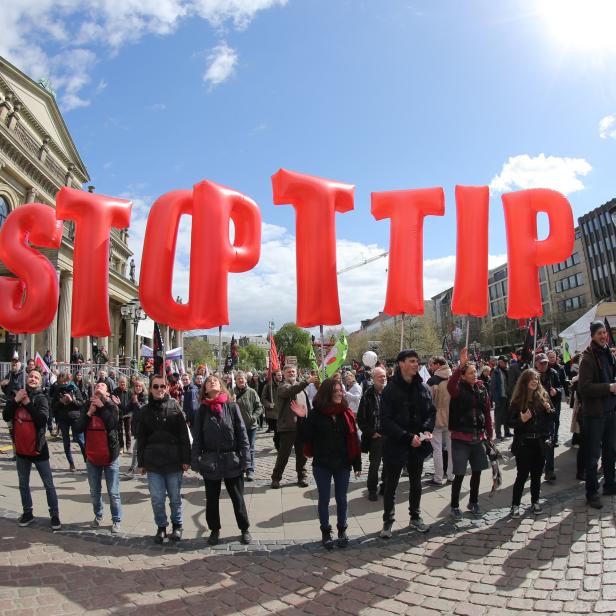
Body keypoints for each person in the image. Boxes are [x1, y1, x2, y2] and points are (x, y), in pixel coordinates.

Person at [293, 378, 361, 548]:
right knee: (324, 499)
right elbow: (306, 438)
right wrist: (302, 419)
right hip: (322, 463)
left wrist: (357, 463)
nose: (340, 393)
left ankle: (342, 530)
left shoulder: (346, 413)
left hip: (343, 463)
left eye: (341, 390)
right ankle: (326, 531)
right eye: (336, 390)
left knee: (341, 499)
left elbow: (354, 439)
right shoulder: (316, 414)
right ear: (327, 393)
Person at [380, 349, 436, 538]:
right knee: (391, 485)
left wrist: (427, 429)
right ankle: (388, 521)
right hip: (396, 444)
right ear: (401, 363)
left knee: (416, 483)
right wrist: (406, 437)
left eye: (417, 361)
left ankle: (415, 517)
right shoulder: (390, 390)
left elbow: (431, 412)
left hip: (418, 444)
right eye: (412, 361)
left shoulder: (422, 387)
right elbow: (385, 421)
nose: (416, 364)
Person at [191, 375, 252, 545]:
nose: (212, 382)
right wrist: (195, 460)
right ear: (205, 389)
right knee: (211, 499)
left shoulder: (231, 406)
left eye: (215, 380)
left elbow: (242, 434)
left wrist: (246, 460)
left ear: (221, 385)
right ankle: (214, 530)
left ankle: (244, 528)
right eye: (208, 381)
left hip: (231, 458)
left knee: (237, 498)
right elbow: (197, 438)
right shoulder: (202, 410)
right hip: (211, 460)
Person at [2, 369, 61, 530]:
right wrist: (16, 400)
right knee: (23, 484)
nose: (33, 379)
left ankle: (54, 515)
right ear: (26, 379)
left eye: (36, 377)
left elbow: (42, 421)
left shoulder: (42, 398)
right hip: (21, 449)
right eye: (31, 376)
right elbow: (6, 416)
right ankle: (27, 512)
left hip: (38, 449)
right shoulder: (18, 394)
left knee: (48, 484)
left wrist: (27, 404)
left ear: (40, 382)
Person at [138, 376, 191, 543]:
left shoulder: (175, 407)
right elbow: (141, 438)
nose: (159, 389)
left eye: (162, 386)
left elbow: (184, 435)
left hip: (173, 461)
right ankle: (161, 526)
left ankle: (177, 525)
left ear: (167, 388)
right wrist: (141, 462)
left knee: (175, 497)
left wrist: (186, 459)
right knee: (157, 498)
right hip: (153, 462)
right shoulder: (145, 410)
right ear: (151, 389)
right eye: (156, 386)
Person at [447, 348, 493, 520]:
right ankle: (454, 505)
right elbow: (451, 384)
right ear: (463, 375)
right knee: (459, 474)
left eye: (476, 372)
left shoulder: (482, 389)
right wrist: (461, 365)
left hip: (478, 437)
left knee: (477, 471)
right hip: (461, 437)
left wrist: (489, 431)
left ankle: (473, 502)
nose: (475, 375)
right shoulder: (457, 389)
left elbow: (487, 412)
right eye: (471, 372)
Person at [74, 381, 122, 533]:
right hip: (92, 456)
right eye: (97, 386)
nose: (99, 388)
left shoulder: (111, 406)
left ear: (107, 392)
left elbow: (113, 424)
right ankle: (98, 515)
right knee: (95, 492)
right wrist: (89, 412)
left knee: (113, 492)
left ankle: (116, 519)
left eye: (102, 386)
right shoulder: (87, 405)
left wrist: (102, 408)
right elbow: (78, 428)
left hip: (110, 456)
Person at [578, 320, 616, 509]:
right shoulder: (587, 357)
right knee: (593, 457)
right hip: (595, 415)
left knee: (611, 451)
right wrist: (608, 387)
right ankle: (591, 493)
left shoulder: (607, 351)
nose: (603, 336)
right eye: (600, 333)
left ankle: (610, 484)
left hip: (610, 411)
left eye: (604, 333)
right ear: (592, 335)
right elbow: (584, 388)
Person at [508, 369, 554, 517]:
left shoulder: (543, 396)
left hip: (540, 442)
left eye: (537, 379)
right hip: (524, 443)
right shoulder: (517, 400)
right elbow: (509, 422)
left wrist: (549, 410)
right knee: (522, 475)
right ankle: (515, 505)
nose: (535, 381)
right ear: (525, 381)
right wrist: (522, 419)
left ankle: (535, 502)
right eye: (532, 379)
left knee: (536, 475)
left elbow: (553, 417)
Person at [270, 365, 317, 489]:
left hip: (301, 427)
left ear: (297, 373)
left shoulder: (302, 388)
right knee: (283, 455)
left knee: (302, 454)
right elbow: (291, 391)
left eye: (293, 371)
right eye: (288, 372)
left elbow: (307, 405)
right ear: (284, 374)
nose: (291, 373)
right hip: (287, 427)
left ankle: (302, 476)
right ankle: (276, 478)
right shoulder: (282, 386)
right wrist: (306, 382)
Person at [357, 366, 387, 500]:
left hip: (390, 435)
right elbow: (361, 419)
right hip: (375, 437)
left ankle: (385, 487)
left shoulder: (390, 393)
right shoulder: (367, 395)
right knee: (374, 465)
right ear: (373, 379)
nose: (383, 378)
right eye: (380, 376)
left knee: (389, 463)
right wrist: (372, 433)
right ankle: (372, 489)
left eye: (384, 376)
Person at [427, 357, 454, 486]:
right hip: (451, 417)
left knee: (437, 449)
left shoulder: (432, 381)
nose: (430, 367)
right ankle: (451, 475)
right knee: (451, 447)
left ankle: (438, 478)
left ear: (438, 365)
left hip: (436, 417)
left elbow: (427, 401)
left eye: (432, 365)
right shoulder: (454, 377)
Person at [534, 353, 561, 482]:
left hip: (550, 413)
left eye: (545, 363)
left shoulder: (554, 373)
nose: (544, 365)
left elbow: (562, 388)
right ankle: (536, 468)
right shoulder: (531, 375)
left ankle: (549, 470)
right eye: (541, 363)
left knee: (549, 443)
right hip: (536, 415)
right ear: (536, 364)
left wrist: (556, 391)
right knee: (537, 444)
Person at [51, 372, 85, 471]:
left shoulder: (74, 388)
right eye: (62, 381)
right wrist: (60, 402)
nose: (64, 383)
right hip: (63, 419)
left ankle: (87, 460)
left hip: (75, 418)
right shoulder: (57, 390)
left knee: (81, 441)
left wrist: (71, 400)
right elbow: (53, 407)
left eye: (66, 381)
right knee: (66, 442)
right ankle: (71, 463)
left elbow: (81, 403)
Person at [233, 371, 263, 481]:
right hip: (236, 427)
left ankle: (250, 470)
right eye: (238, 378)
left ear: (246, 380)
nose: (240, 380)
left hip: (250, 426)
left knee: (250, 448)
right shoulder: (232, 392)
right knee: (238, 448)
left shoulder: (252, 392)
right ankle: (240, 468)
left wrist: (253, 417)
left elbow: (259, 407)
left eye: (242, 378)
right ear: (235, 380)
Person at [547, 350, 569, 446]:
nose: (552, 358)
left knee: (556, 419)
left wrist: (567, 395)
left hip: (557, 398)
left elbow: (564, 383)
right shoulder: (544, 367)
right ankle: (549, 437)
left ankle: (555, 437)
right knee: (549, 419)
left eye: (553, 357)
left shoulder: (560, 368)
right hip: (546, 398)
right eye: (550, 357)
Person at [128, 379, 148, 473]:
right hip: (136, 426)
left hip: (144, 427)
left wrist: (136, 402)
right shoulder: (134, 397)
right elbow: (126, 409)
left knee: (136, 449)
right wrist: (118, 404)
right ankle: (144, 466)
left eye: (140, 386)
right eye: (136, 386)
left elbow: (143, 411)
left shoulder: (145, 397)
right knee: (142, 448)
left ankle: (133, 468)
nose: (138, 387)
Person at [490, 356, 511, 440]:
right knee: (498, 417)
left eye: (506, 362)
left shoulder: (507, 370)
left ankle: (507, 432)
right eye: (503, 362)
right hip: (500, 397)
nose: (505, 363)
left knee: (507, 415)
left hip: (507, 397)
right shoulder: (495, 371)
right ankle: (498, 434)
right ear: (499, 362)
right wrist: (495, 399)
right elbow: (493, 386)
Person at [112, 377, 132, 454]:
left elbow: (131, 402)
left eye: (123, 382)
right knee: (119, 431)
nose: (122, 384)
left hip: (127, 414)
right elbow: (113, 402)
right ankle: (121, 446)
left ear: (126, 383)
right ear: (118, 383)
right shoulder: (115, 391)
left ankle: (128, 447)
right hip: (118, 414)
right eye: (121, 382)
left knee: (128, 431)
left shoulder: (129, 391)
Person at [261, 369, 282, 437]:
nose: (280, 376)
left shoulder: (284, 384)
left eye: (281, 375)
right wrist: (269, 404)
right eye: (278, 375)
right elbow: (263, 399)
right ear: (274, 376)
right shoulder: (268, 386)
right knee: (277, 434)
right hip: (274, 414)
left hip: (284, 414)